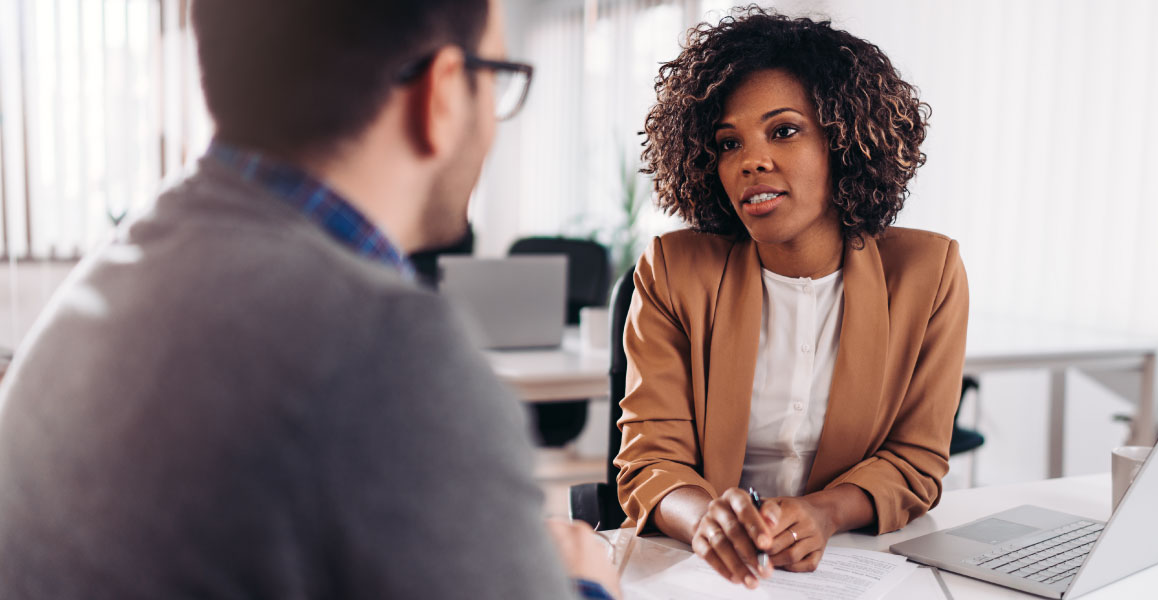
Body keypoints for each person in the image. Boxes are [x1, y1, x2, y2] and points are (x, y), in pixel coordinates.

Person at [0, 0, 618, 598]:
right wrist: (589, 584)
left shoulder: (104, 285)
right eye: (499, 77)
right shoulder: (393, 354)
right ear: (446, 93)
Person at [615, 8, 969, 590]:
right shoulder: (673, 270)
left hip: (854, 568)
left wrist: (824, 513)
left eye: (783, 131)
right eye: (729, 143)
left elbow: (916, 460)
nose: (751, 161)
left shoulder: (927, 274)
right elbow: (651, 460)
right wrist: (707, 520)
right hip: (706, 573)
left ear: (844, 140)